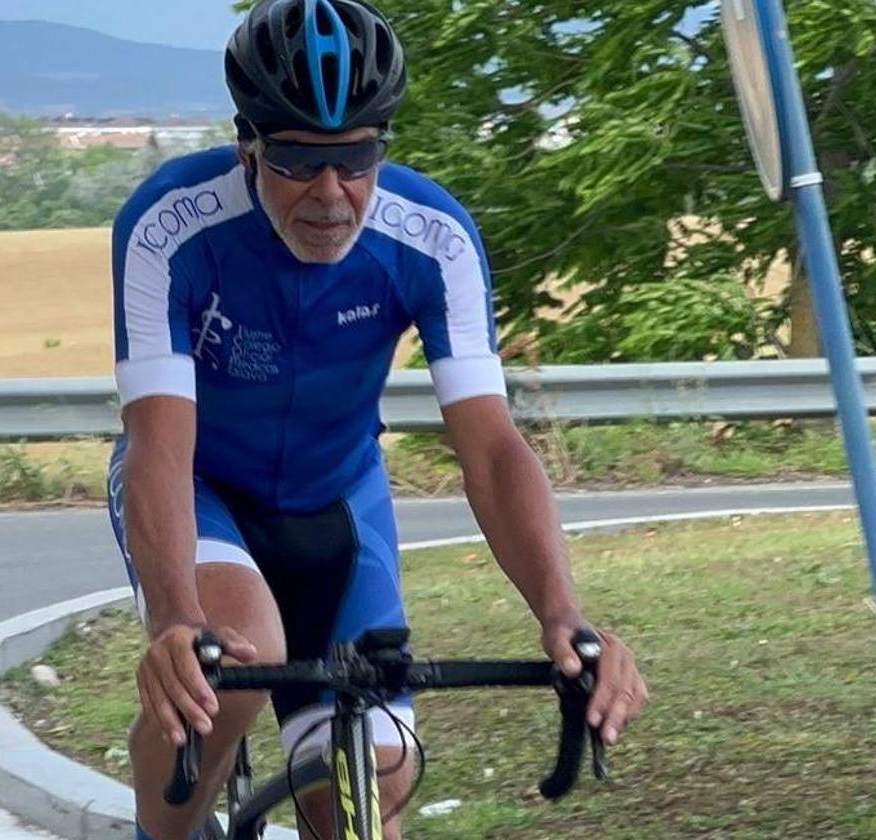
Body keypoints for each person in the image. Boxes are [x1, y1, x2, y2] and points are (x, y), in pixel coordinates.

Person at [108, 1, 648, 837]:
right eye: (296, 160)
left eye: (357, 159)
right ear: (248, 141)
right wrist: (177, 618)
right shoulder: (170, 226)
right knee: (233, 658)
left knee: (377, 778)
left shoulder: (432, 237)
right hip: (205, 489)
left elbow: (493, 450)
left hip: (336, 502)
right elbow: (159, 443)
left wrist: (561, 613)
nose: (331, 193)